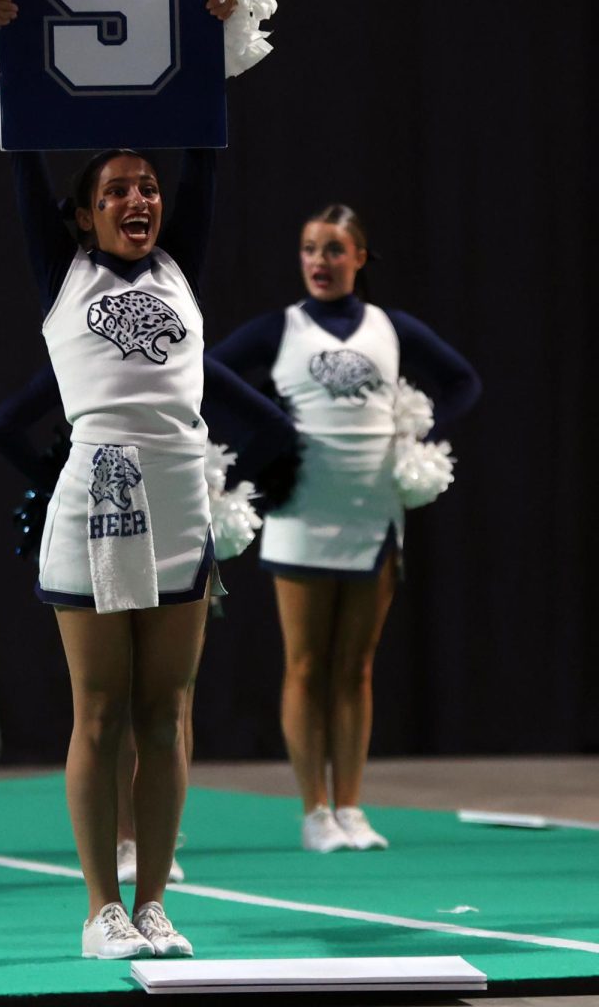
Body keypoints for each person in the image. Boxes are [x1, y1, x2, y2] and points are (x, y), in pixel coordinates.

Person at [0, 0, 236, 960]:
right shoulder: (66, 271)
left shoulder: (178, 267)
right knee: (100, 706)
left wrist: (211, 40)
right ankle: (99, 909)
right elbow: (20, 159)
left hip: (177, 490)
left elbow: (206, 153)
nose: (139, 198)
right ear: (82, 216)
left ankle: (157, 900)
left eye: (147, 187)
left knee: (167, 709)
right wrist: (3, 52)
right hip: (96, 493)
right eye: (117, 190)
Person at [210, 203, 481, 853]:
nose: (319, 262)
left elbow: (464, 382)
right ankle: (314, 812)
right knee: (305, 666)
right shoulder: (282, 329)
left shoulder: (392, 329)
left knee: (356, 668)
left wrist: (422, 435)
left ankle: (352, 806)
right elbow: (207, 370)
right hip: (301, 511)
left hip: (371, 511)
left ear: (360, 258)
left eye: (333, 250)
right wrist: (264, 434)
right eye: (309, 248)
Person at [0, 354, 297, 887]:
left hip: (178, 527)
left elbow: (273, 426)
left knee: (166, 706)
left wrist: (219, 488)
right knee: (130, 703)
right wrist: (64, 482)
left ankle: (150, 839)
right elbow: (2, 425)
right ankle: (132, 838)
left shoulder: (185, 355)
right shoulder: (82, 353)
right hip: (118, 526)